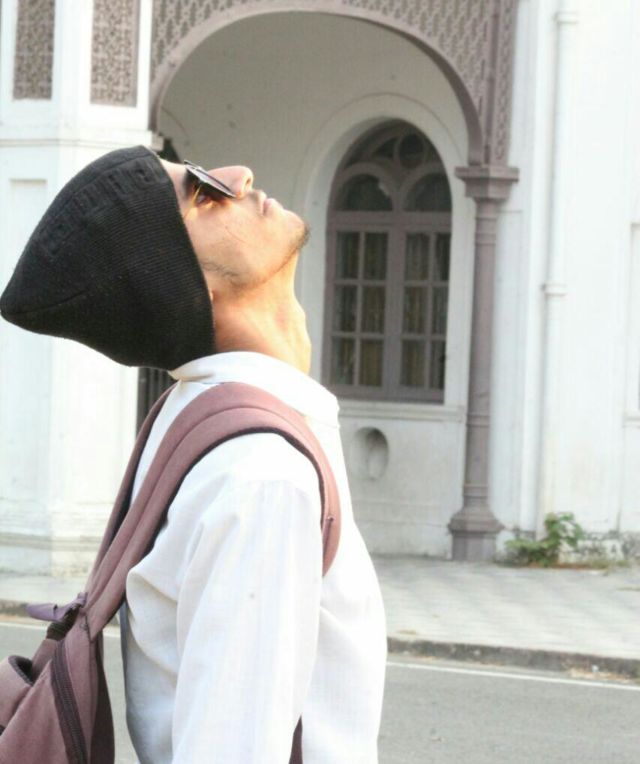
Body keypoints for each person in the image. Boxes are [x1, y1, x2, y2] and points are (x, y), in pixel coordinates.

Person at [0, 146, 387, 763]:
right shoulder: (261, 474)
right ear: (180, 280)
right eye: (203, 191)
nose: (239, 176)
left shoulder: (198, 421)